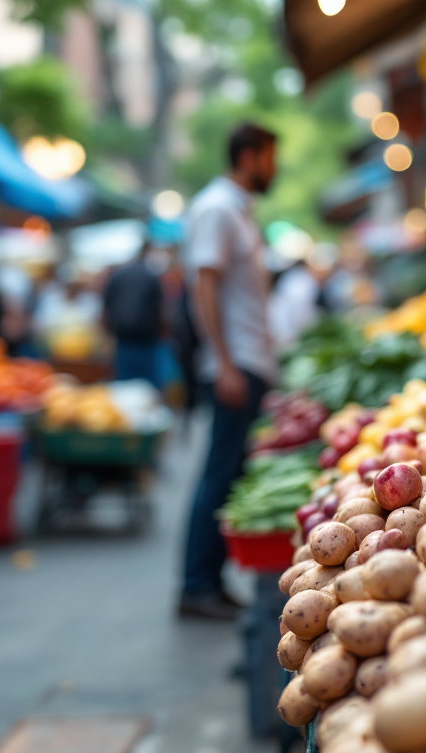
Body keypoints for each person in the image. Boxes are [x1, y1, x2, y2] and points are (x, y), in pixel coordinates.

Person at [179, 123, 278, 620]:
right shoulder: (217, 209)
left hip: (247, 361)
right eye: (271, 158)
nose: (275, 169)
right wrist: (223, 363)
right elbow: (204, 286)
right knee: (219, 474)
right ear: (250, 157)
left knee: (228, 472)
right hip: (235, 364)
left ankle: (208, 583)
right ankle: (197, 585)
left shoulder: (237, 211)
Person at [103, 241, 166, 389]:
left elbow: (106, 309)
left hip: (123, 340)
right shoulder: (151, 276)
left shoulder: (117, 276)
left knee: (125, 385)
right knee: (149, 386)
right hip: (147, 340)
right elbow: (160, 310)